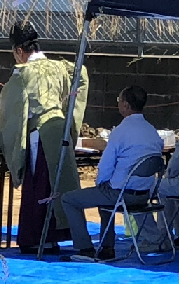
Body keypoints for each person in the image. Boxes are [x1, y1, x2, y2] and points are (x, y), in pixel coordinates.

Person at [0, 21, 88, 255]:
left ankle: (36, 238)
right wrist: (70, 112)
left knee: (39, 187)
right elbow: (82, 74)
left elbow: (13, 110)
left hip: (39, 132)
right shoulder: (60, 67)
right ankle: (54, 235)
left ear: (19, 50)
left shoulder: (23, 73)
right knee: (56, 184)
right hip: (60, 129)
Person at [60, 86, 164, 261]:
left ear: (126, 105)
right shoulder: (152, 131)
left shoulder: (121, 132)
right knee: (105, 195)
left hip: (122, 194)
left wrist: (102, 184)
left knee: (69, 199)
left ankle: (84, 247)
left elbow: (105, 166)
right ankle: (106, 247)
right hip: (144, 193)